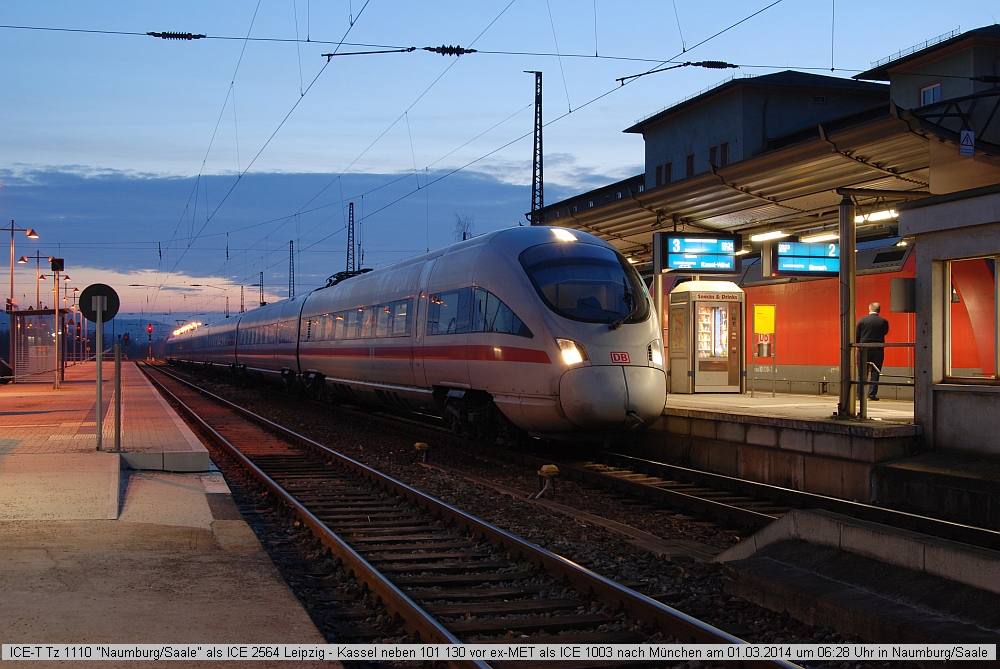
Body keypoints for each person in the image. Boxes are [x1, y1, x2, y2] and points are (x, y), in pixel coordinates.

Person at [856, 302, 889, 400]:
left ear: (869, 309)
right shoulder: (883, 321)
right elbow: (885, 332)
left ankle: (860, 394)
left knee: (862, 372)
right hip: (878, 349)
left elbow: (857, 334)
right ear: (879, 310)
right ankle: (871, 395)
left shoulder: (862, 320)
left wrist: (858, 344)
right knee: (875, 372)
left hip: (863, 348)